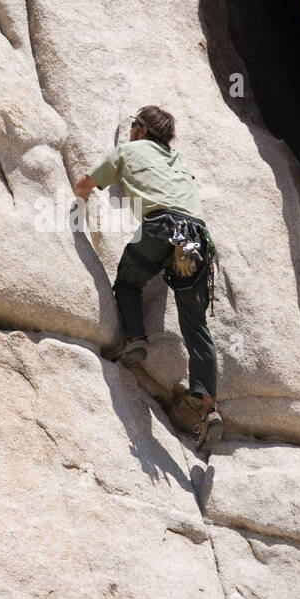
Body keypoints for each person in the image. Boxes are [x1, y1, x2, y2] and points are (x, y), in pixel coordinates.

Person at [75, 106, 223, 454]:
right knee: (195, 323)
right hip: (196, 239)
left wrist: (75, 208)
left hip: (161, 227)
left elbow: (86, 184)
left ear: (141, 130)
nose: (130, 132)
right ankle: (210, 408)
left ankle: (137, 339)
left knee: (128, 280)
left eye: (133, 126)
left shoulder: (129, 151)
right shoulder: (179, 161)